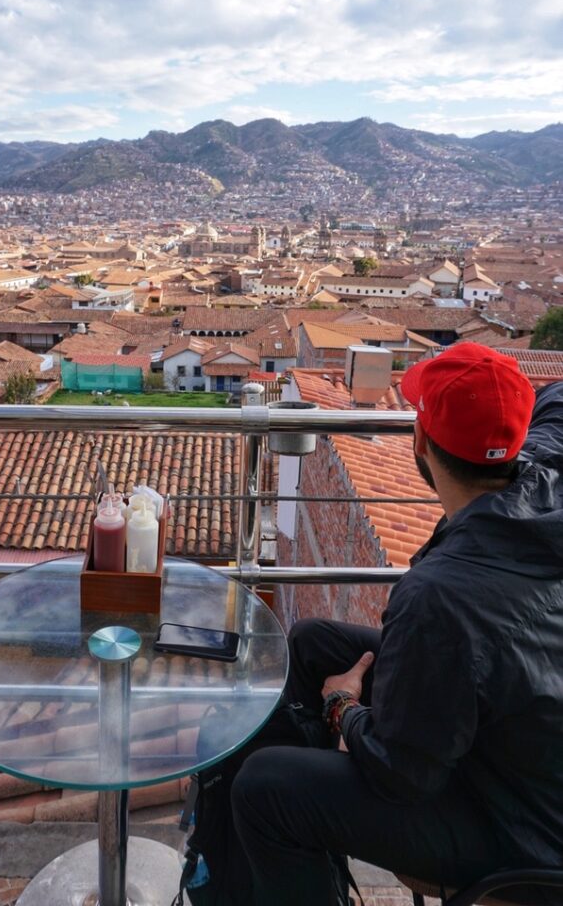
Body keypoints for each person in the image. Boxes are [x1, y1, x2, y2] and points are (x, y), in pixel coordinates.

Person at [231, 343, 563, 904]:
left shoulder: (437, 597)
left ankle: (291, 829)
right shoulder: (548, 474)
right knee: (312, 642)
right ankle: (294, 848)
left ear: (420, 441)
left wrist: (343, 708)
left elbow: (401, 774)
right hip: (518, 731)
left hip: (520, 830)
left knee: (263, 788)